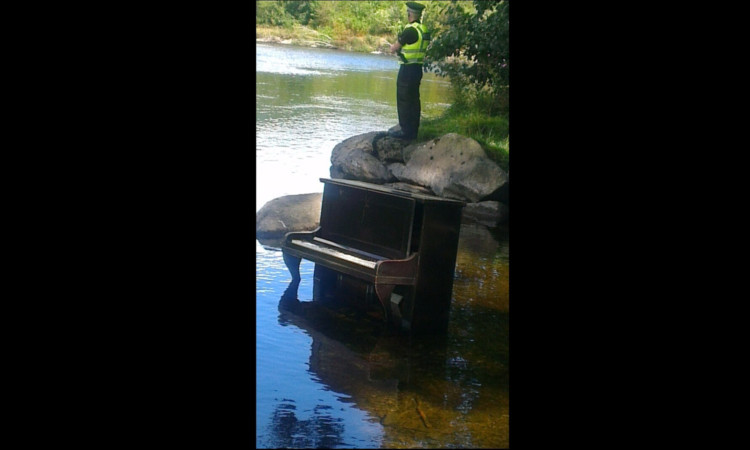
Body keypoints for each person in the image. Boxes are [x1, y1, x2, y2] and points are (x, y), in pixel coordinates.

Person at [388, 2, 430, 141]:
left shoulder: (410, 30)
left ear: (409, 14)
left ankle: (405, 131)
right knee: (414, 100)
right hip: (417, 68)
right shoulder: (423, 30)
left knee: (404, 99)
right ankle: (413, 131)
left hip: (407, 70)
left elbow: (394, 48)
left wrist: (393, 48)